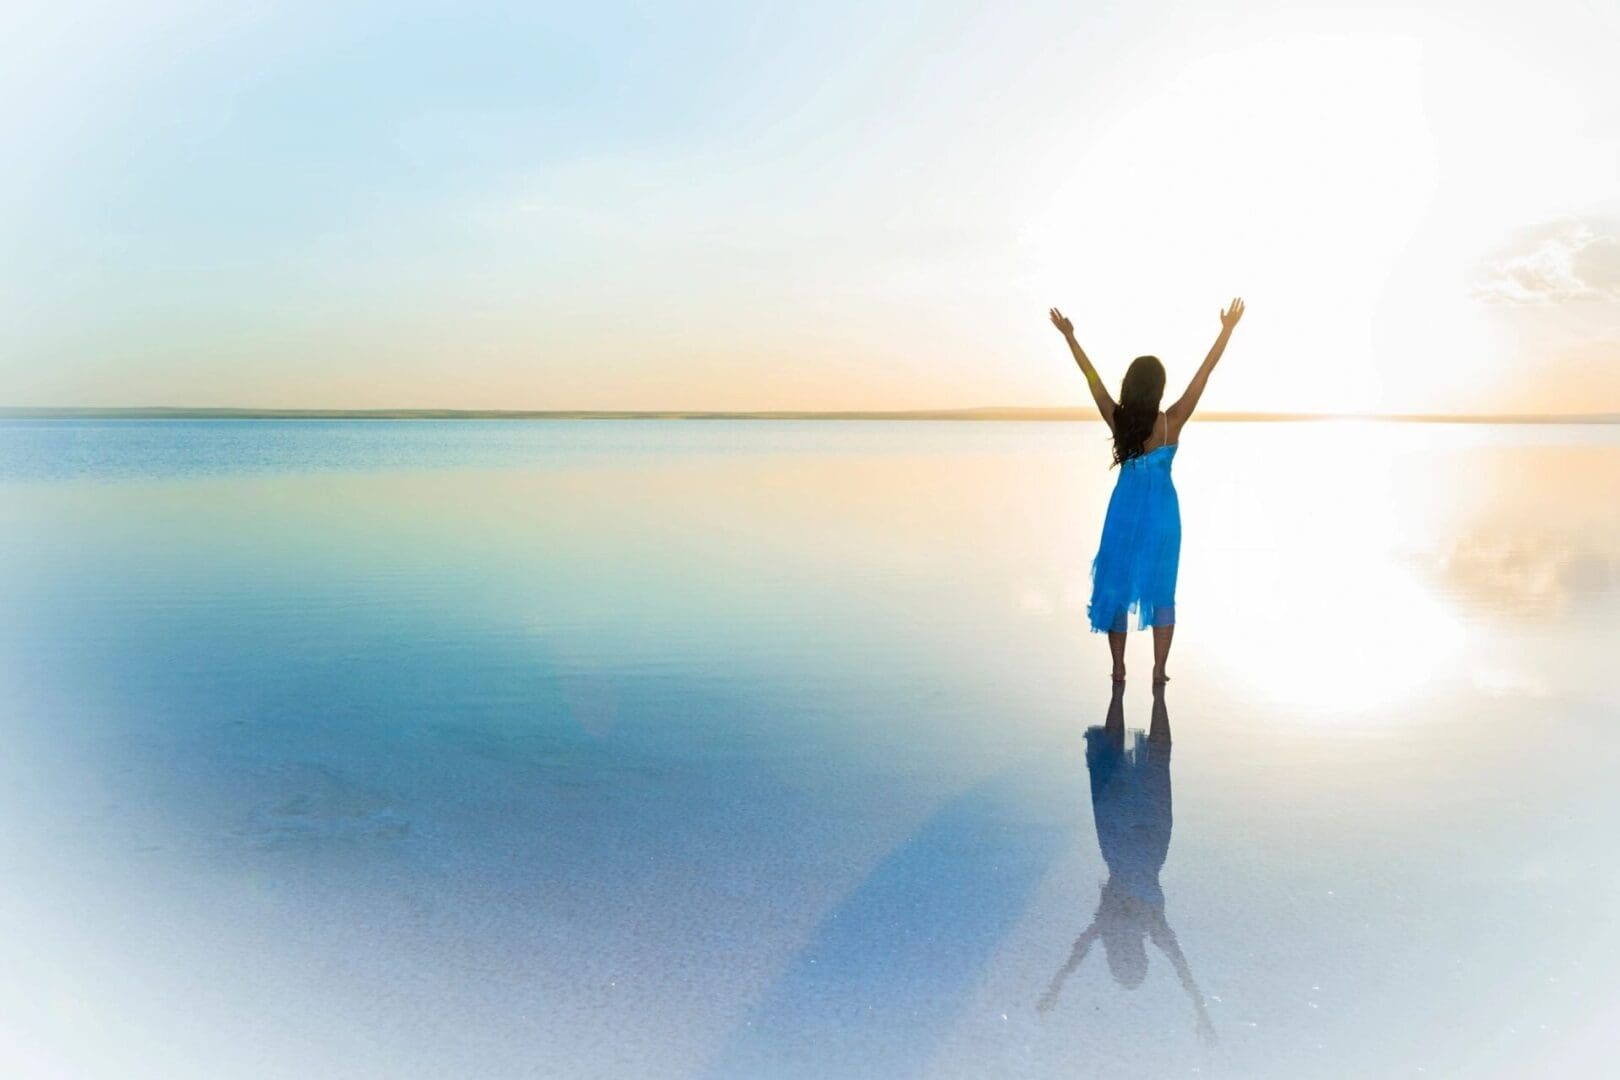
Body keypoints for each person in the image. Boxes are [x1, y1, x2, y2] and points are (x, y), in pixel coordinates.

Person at [1049, 298, 1246, 683]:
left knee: (1118, 586)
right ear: (1158, 388)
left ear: (1130, 386)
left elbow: (1091, 379)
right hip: (1162, 515)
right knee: (1161, 590)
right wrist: (1227, 330)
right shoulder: (1172, 421)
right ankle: (1159, 670)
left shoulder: (1117, 418)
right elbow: (1203, 375)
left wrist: (1070, 338)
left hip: (1123, 510)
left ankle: (1118, 667)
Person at [1037, 684, 1215, 1048]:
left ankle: (1152, 693)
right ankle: (1146, 693)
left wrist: (1055, 987)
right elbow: (1182, 971)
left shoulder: (1140, 925)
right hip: (1126, 841)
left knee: (1152, 763)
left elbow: (1182, 970)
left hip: (1139, 840)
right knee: (1123, 765)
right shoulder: (1132, 924)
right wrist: (1201, 1014)